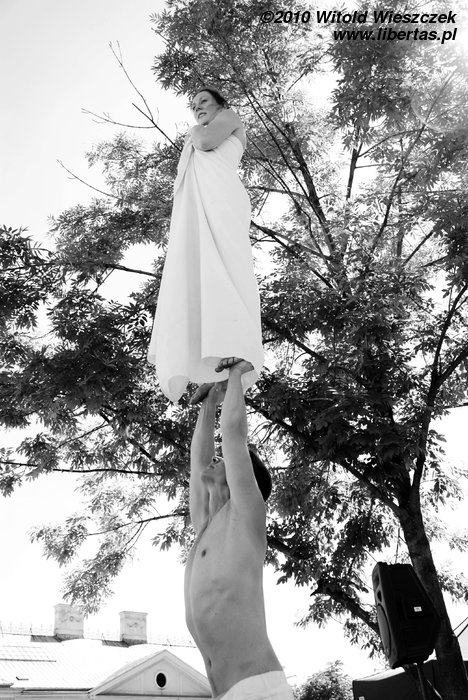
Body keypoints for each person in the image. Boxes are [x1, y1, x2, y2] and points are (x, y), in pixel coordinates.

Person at [185, 356, 294, 700]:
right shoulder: (205, 526)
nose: (217, 459)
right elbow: (198, 462)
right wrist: (209, 402)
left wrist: (235, 373)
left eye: (225, 461)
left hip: (258, 689)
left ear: (241, 480)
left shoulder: (245, 517)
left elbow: (233, 435)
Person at [147, 88, 264, 403]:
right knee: (201, 274)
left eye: (203, 102)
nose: (197, 107)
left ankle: (237, 347)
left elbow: (205, 142)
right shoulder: (203, 127)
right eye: (193, 105)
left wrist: (193, 130)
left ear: (220, 105)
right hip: (202, 204)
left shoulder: (228, 117)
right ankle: (212, 367)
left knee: (227, 270)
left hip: (223, 201)